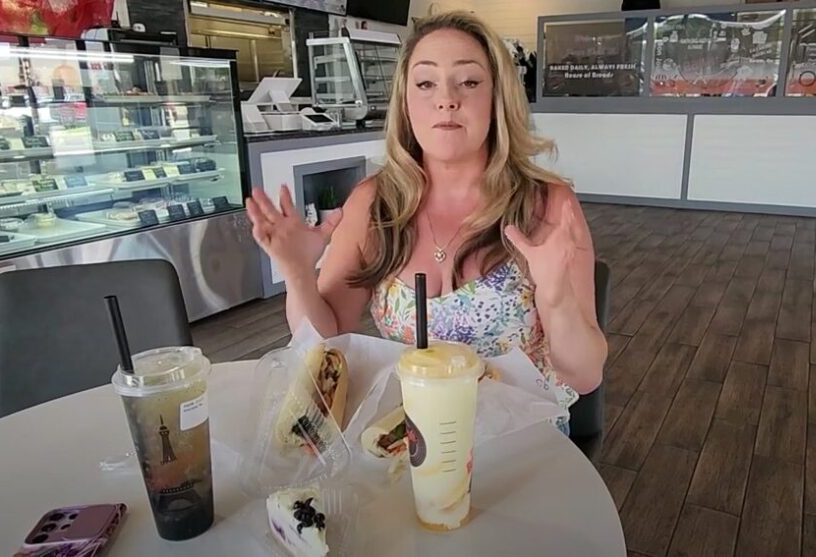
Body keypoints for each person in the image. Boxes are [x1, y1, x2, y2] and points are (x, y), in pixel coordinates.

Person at [245, 12, 607, 434]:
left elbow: (584, 376)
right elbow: (326, 341)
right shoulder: (373, 204)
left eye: (469, 82)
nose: (447, 99)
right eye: (426, 83)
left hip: (519, 442)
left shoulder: (545, 206)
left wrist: (556, 295)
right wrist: (297, 273)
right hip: (410, 435)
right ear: (405, 102)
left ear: (498, 97)